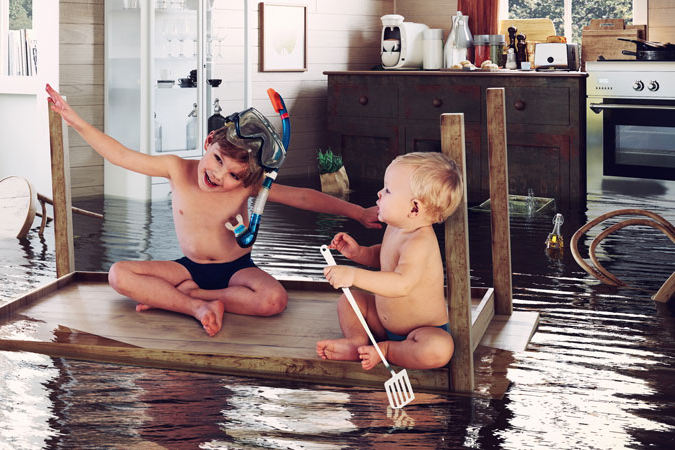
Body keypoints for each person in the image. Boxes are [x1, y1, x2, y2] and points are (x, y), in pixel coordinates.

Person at [46, 84, 381, 337]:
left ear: (246, 178)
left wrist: (356, 212)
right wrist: (74, 120)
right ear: (208, 143)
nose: (220, 175)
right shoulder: (176, 169)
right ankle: (195, 305)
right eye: (218, 160)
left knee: (274, 300)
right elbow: (121, 155)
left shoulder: (252, 187)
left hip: (236, 270)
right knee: (119, 274)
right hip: (187, 268)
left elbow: (305, 198)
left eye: (234, 175)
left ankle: (190, 297)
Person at [315, 152, 463, 370]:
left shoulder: (419, 241)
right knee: (349, 300)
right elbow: (384, 257)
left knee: (438, 349)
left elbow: (401, 283)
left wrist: (354, 275)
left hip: (421, 331)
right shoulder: (397, 227)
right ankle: (357, 342)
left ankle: (385, 350)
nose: (379, 193)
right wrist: (359, 253)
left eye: (388, 190)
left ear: (414, 208)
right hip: (383, 322)